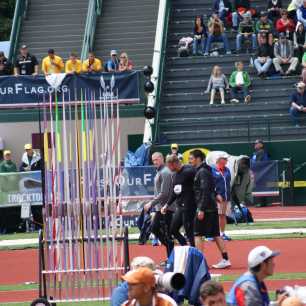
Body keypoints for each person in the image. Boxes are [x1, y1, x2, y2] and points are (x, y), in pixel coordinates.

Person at [190, 150, 231, 269]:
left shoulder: (202, 171)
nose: (190, 161)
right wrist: (216, 193)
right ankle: (225, 259)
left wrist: (201, 209)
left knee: (197, 234)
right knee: (215, 234)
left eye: (191, 158)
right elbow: (210, 187)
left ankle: (200, 262)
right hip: (210, 207)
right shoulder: (206, 170)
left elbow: (205, 190)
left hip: (206, 208)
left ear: (198, 159)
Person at [162, 154, 196, 247]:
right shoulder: (175, 175)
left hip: (190, 206)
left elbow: (200, 183)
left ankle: (194, 254)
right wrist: (167, 205)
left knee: (189, 231)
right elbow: (175, 192)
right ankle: (186, 248)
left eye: (169, 167)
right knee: (173, 229)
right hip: (180, 207)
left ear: (174, 163)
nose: (169, 169)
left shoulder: (189, 170)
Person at [143, 152, 174, 257]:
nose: (154, 162)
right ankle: (170, 254)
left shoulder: (165, 172)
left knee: (163, 231)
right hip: (160, 208)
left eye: (156, 159)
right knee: (156, 229)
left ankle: (171, 256)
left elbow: (164, 193)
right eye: (153, 160)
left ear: (162, 158)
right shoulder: (160, 171)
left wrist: (151, 203)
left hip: (166, 208)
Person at [212, 153, 232, 241]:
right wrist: (216, 194)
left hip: (226, 197)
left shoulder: (227, 169)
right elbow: (210, 185)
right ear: (219, 160)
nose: (226, 160)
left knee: (223, 215)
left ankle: (222, 233)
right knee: (216, 215)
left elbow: (228, 183)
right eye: (225, 159)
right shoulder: (212, 170)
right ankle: (213, 234)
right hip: (216, 198)